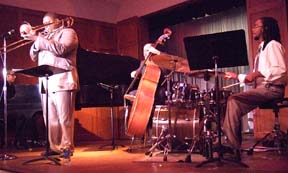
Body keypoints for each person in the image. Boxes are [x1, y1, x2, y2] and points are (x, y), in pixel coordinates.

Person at [223, 17, 287, 160]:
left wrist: (257, 73)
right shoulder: (261, 50)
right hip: (264, 88)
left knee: (233, 100)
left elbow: (280, 71)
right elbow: (254, 79)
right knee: (234, 103)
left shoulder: (273, 45)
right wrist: (236, 76)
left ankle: (233, 146)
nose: (253, 29)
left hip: (272, 89)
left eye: (256, 26)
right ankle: (234, 145)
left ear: (265, 28)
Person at [24, 12, 79, 157]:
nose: (45, 24)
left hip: (63, 80)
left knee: (64, 117)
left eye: (48, 21)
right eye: (43, 21)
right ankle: (54, 147)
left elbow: (61, 49)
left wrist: (37, 38)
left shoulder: (68, 32)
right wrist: (36, 40)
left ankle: (67, 147)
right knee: (50, 118)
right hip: (46, 82)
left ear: (58, 21)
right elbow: (33, 55)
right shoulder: (43, 37)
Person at [0, 68, 16, 148]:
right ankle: (2, 142)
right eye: (12, 75)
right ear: (7, 76)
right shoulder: (2, 85)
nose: (15, 77)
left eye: (14, 75)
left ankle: (18, 141)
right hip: (2, 110)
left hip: (9, 109)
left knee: (22, 118)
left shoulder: (12, 86)